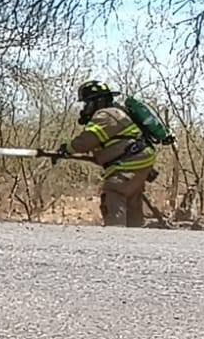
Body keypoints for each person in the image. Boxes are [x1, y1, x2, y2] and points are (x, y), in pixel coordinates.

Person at [64, 80, 157, 228]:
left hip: (129, 163)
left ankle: (116, 234)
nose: (85, 109)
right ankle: (136, 234)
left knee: (115, 191)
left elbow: (87, 140)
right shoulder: (119, 113)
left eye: (87, 104)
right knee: (132, 197)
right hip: (141, 161)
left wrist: (67, 149)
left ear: (97, 102)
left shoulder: (105, 115)